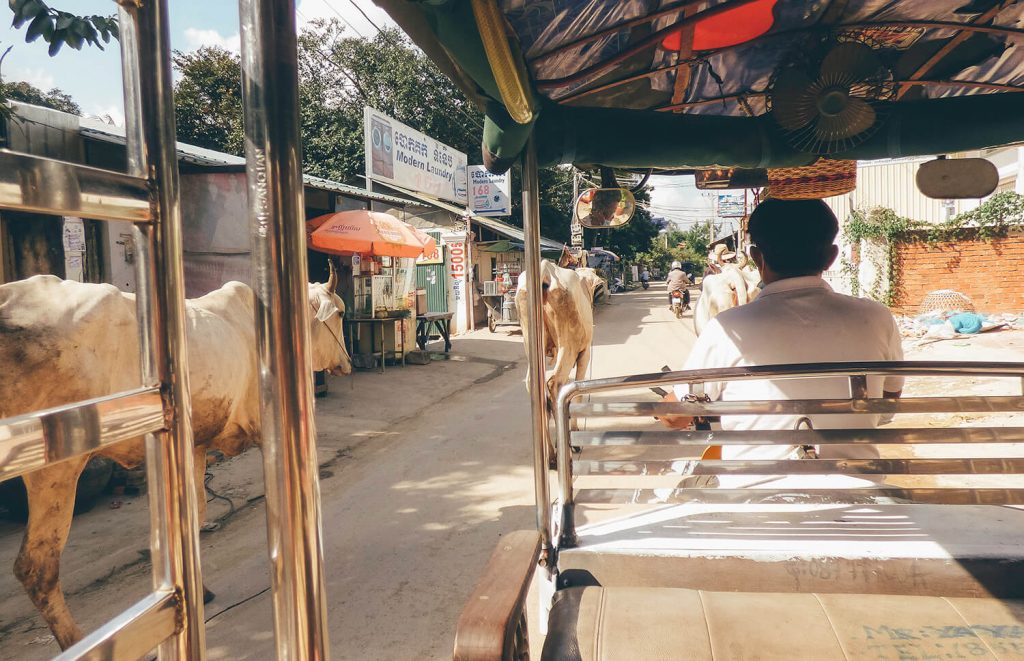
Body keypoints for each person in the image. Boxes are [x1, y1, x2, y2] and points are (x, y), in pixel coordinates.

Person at [660, 198, 904, 463]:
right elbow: (888, 402)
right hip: (860, 487)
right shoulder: (877, 317)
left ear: (756, 257)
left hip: (752, 495)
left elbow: (676, 416)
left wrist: (664, 407)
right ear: (832, 257)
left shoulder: (726, 328)